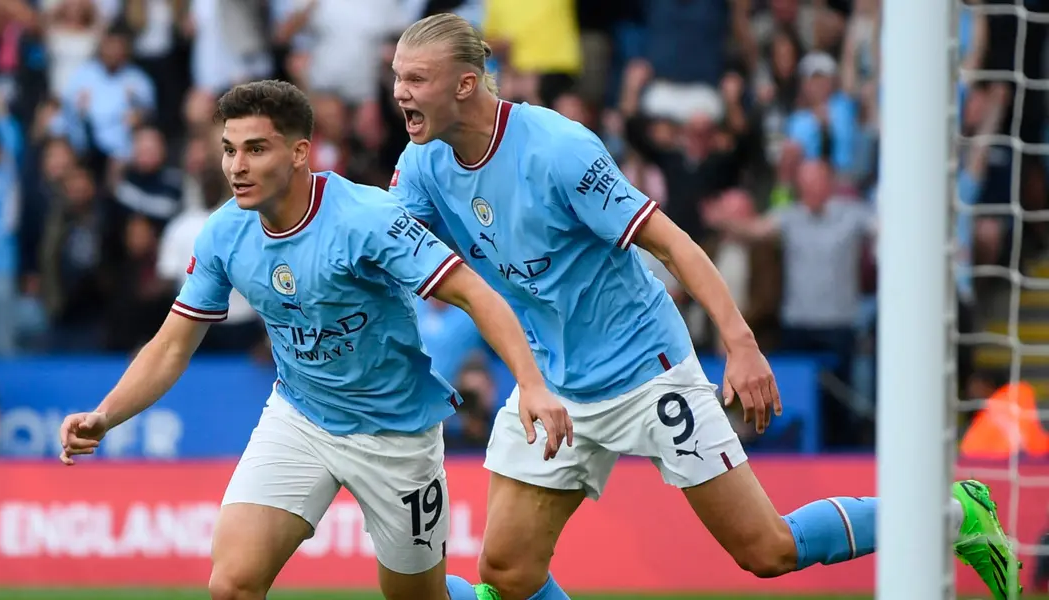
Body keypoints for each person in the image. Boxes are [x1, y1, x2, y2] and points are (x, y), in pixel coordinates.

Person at [388, 13, 1020, 600]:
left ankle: (955, 511)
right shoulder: (422, 163)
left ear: (465, 84)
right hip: (555, 383)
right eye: (397, 77)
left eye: (416, 78)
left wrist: (740, 344)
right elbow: (387, 253)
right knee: (507, 571)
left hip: (645, 369)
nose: (399, 92)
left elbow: (673, 243)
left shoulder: (556, 149)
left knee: (767, 549)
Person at [57, 80, 571, 600]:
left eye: (256, 149)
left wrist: (531, 385)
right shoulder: (223, 233)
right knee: (231, 584)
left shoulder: (366, 218)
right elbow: (171, 346)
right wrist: (106, 414)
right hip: (301, 417)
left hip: (395, 432)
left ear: (300, 152)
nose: (237, 167)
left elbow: (475, 293)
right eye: (229, 150)